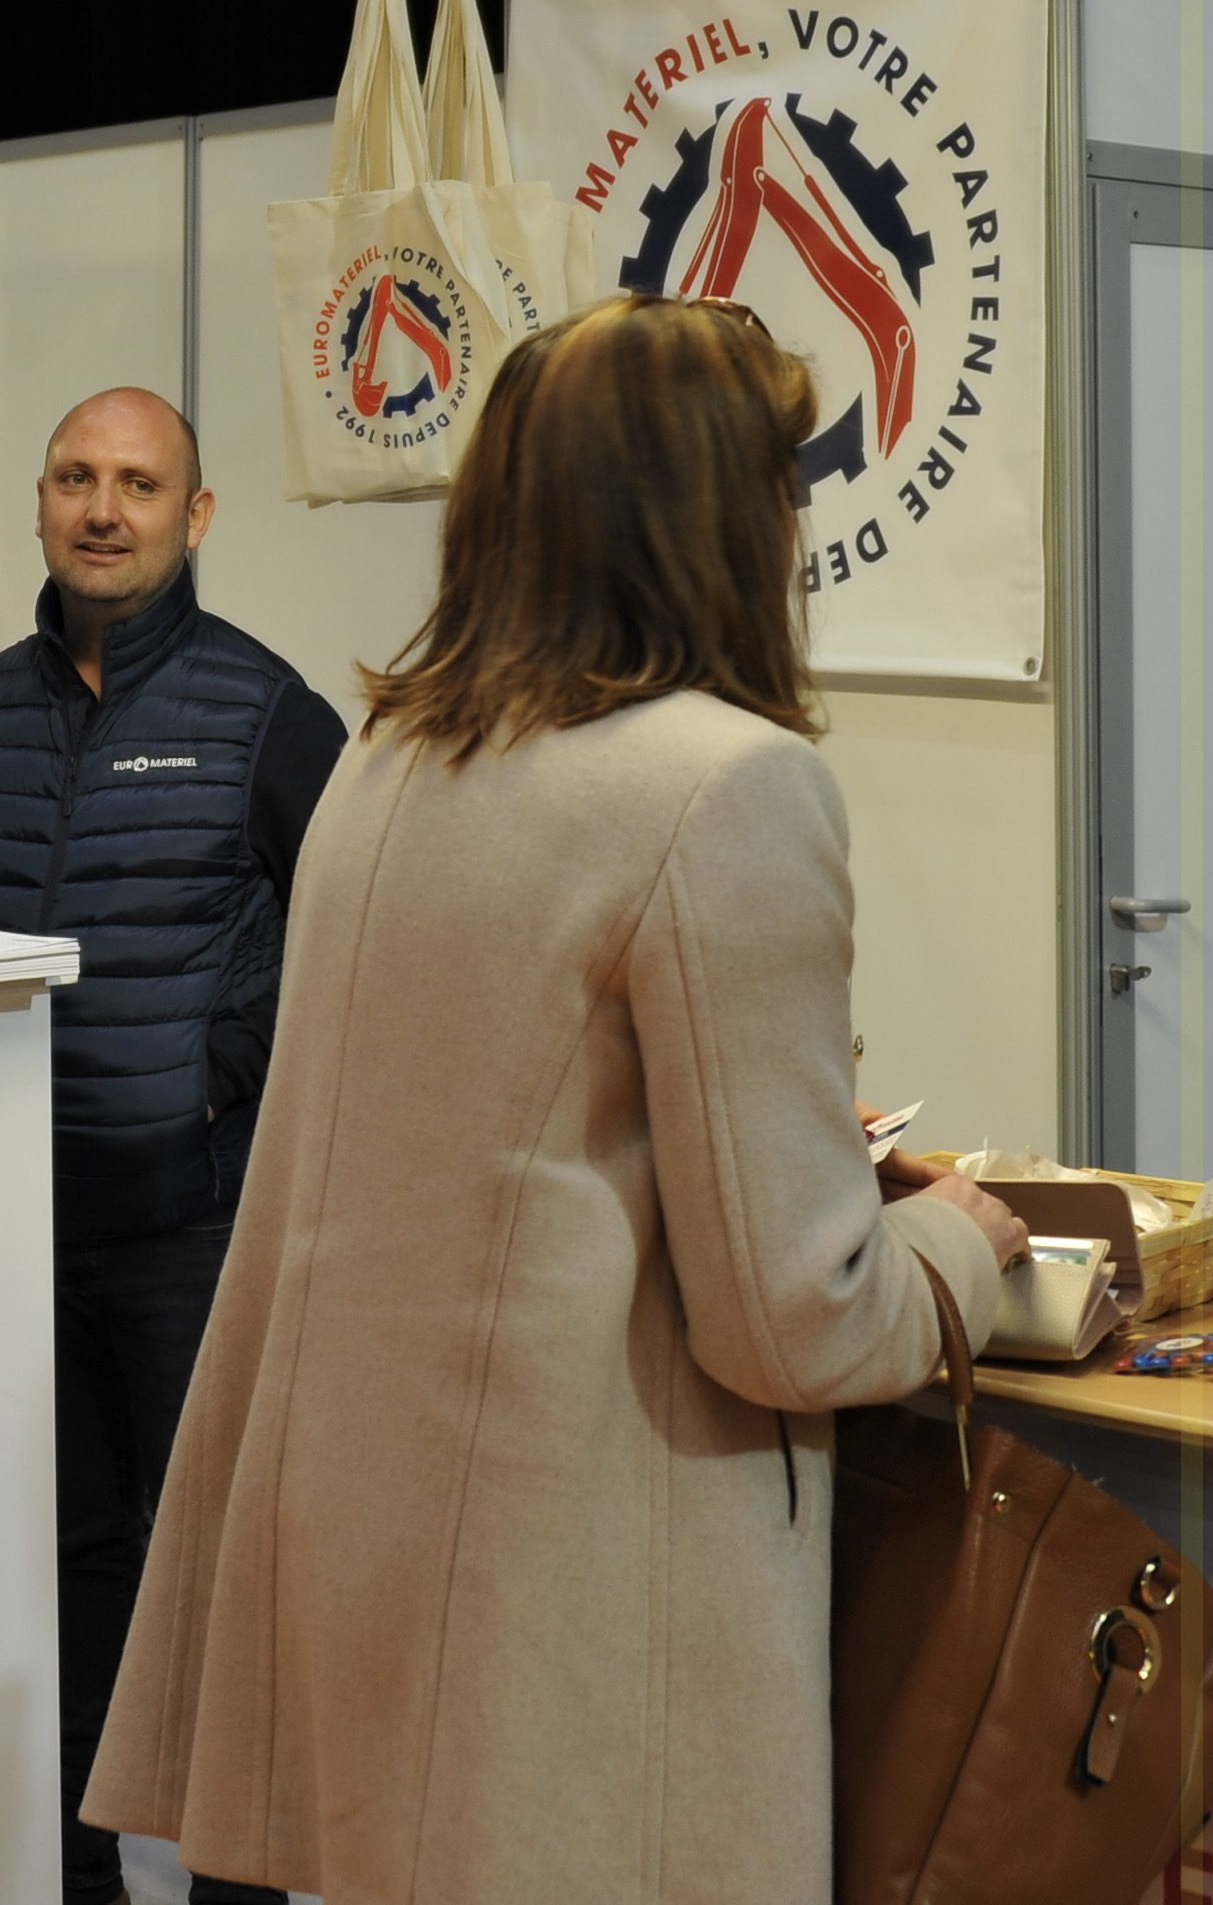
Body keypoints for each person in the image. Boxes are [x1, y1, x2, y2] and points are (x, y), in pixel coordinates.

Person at [84, 294, 1030, 1905]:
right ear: (717, 510)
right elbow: (792, 1317)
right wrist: (963, 1249)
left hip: (371, 1569)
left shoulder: (391, 759)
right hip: (576, 1610)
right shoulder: (728, 784)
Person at [0, 385, 346, 1905]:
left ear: (194, 517)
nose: (102, 510)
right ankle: (74, 1881)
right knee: (62, 1578)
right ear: (36, 503)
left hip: (195, 1233)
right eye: (75, 478)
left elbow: (358, 950)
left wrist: (222, 1077)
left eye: (139, 485)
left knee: (224, 1588)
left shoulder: (269, 716)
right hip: (16, 1236)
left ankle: (237, 1890)